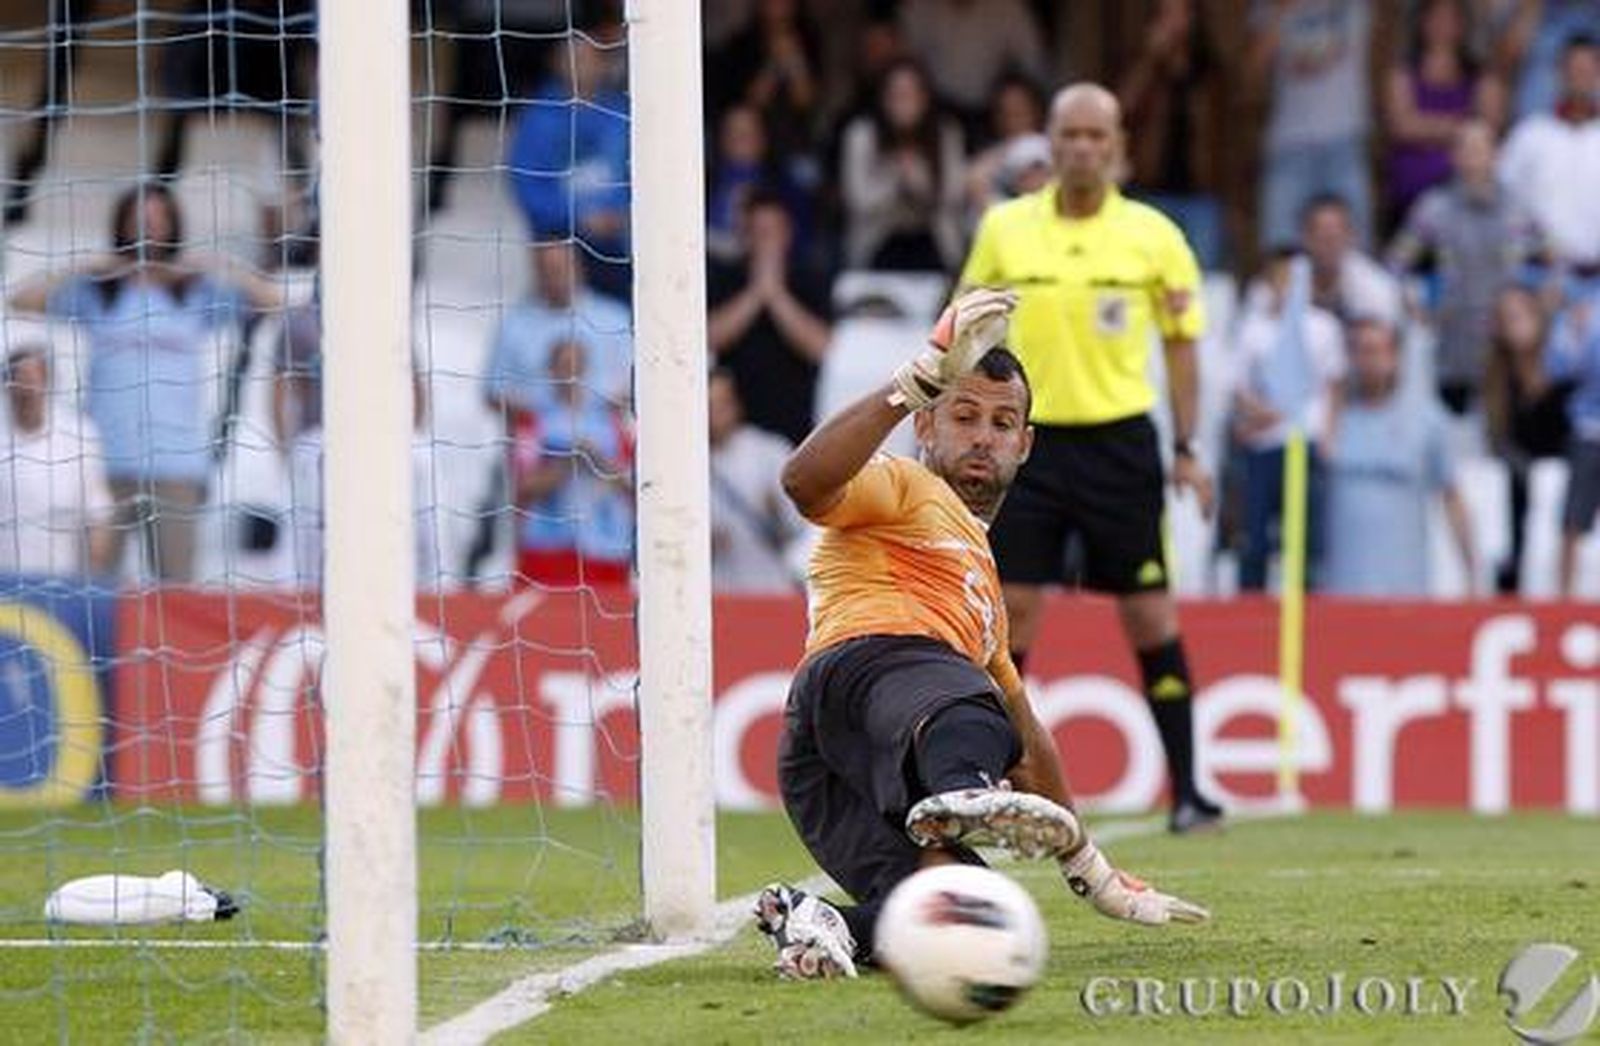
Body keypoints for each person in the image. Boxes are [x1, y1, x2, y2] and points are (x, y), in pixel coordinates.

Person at [755, 289, 1208, 980]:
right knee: (970, 700)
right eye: (963, 415)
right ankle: (962, 792)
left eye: (1002, 423)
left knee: (966, 912)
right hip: (868, 673)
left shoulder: (983, 591)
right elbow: (802, 483)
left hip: (825, 761)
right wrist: (911, 384)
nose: (983, 437)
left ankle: (822, 923)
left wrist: (1092, 870)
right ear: (926, 428)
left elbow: (1025, 738)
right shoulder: (902, 485)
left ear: (1024, 445)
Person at [957, 84, 1221, 833]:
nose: (1080, 148)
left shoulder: (1154, 237)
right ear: (1049, 140)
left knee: (1149, 613)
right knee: (1010, 619)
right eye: (1068, 134)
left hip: (1120, 443)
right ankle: (983, 780)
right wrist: (954, 422)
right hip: (1028, 445)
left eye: (1094, 137)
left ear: (1117, 147)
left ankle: (1190, 790)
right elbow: (967, 329)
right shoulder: (1006, 229)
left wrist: (1189, 446)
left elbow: (1182, 347)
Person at [8, 182, 282, 582]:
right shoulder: (99, 293)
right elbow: (21, 301)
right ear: (121, 223)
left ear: (173, 224)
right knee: (96, 587)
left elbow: (272, 300)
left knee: (177, 590)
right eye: (139, 218)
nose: (148, 226)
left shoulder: (195, 293)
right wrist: (90, 265)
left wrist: (209, 264)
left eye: (158, 217)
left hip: (177, 468)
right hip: (106, 465)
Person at [1387, 119, 1543, 413]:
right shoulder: (1433, 207)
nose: (1473, 157)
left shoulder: (1517, 208)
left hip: (1504, 344)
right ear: (1454, 156)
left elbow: (1554, 257)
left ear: (1496, 155)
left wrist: (1541, 298)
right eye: (1465, 149)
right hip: (1453, 339)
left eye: (1481, 148)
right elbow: (1396, 265)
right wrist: (1411, 301)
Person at [1322, 318, 1478, 596]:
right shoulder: (1329, 417)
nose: (1365, 360)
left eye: (1374, 350)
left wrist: (1470, 574)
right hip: (1338, 591)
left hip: (1404, 590)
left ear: (1394, 356)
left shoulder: (1426, 420)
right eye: (1357, 350)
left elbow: (1452, 497)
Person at [1231, 249, 1346, 591]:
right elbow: (1238, 387)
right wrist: (1262, 413)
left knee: (1305, 535)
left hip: (1305, 440)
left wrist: (1328, 435)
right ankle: (1249, 606)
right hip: (1263, 443)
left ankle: (1307, 604)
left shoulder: (1324, 327)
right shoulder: (1253, 329)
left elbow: (1333, 385)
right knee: (1255, 533)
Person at [506, 35, 630, 301]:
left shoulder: (622, 114)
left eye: (587, 58)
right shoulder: (537, 118)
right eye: (572, 58)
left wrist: (623, 214)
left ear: (603, 64)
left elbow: (641, 176)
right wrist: (580, 217)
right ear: (556, 64)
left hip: (623, 239)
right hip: (562, 241)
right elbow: (527, 187)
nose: (579, 66)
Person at [708, 189, 833, 447]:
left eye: (772, 232)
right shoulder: (725, 278)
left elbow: (821, 348)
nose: (765, 240)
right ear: (745, 234)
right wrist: (755, 293)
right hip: (733, 436)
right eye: (758, 232)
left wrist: (776, 295)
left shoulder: (810, 278)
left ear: (787, 233)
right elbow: (708, 339)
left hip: (795, 432)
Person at [1249, 0, 1377, 249]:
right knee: (1280, 248)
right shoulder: (1269, 5)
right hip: (1289, 143)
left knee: (1357, 249)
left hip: (1345, 140)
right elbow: (1254, 69)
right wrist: (1281, 12)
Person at [509, 339, 633, 588]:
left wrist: (595, 459)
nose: (571, 373)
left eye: (577, 365)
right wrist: (570, 461)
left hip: (606, 547)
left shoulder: (613, 421)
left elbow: (632, 484)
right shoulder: (533, 419)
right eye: (564, 365)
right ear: (550, 369)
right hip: (547, 548)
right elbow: (524, 487)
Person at [1118, 0, 1227, 268]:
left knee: (1202, 279)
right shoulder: (1144, 65)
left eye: (1179, 13)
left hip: (1201, 194)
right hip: (1152, 191)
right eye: (1165, 13)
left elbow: (1225, 135)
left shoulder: (1210, 70)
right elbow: (1120, 108)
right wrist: (1150, 58)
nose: (1173, 22)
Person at [1380, 0, 1504, 231]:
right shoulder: (1403, 71)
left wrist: (1425, 126)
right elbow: (1401, 126)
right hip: (1409, 193)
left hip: (1466, 201)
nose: (1442, 25)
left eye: (1451, 18)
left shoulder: (1480, 74)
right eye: (1435, 17)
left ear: (1463, 25)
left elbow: (1489, 128)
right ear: (1421, 22)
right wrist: (1462, 128)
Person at [1481, 285, 1571, 594]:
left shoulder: (1563, 367)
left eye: (1520, 315)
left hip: (1561, 481)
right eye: (1506, 318)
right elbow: (1497, 437)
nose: (1514, 324)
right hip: (1519, 482)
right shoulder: (1496, 378)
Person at [839, 60, 967, 272]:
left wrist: (917, 179)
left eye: (910, 95)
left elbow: (953, 195)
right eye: (896, 95)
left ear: (924, 98)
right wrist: (895, 178)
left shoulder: (946, 133)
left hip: (934, 242)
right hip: (878, 241)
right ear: (883, 99)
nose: (903, 103)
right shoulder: (861, 134)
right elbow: (857, 200)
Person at [0, 345, 115, 577]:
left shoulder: (79, 434)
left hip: (60, 586)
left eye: (33, 379)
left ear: (47, 383)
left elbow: (99, 515)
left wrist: (91, 580)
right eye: (19, 381)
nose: (27, 391)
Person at [1498, 33, 1600, 273]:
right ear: (1559, 73)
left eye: (1587, 70)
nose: (1579, 78)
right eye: (1572, 69)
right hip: (1536, 277)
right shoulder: (1529, 134)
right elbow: (1502, 203)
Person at [708, 368, 809, 593]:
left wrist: (777, 510)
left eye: (722, 404)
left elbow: (803, 525)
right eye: (709, 407)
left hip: (773, 586)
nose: (716, 415)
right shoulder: (688, 462)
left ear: (736, 403)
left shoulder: (770, 450)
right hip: (718, 591)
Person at [895, 0, 1046, 128]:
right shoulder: (921, 7)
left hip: (991, 109)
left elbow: (1031, 62)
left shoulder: (1008, 8)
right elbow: (907, 60)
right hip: (937, 109)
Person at [1544, 290, 1600, 595]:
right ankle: (1565, 600)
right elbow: (1558, 368)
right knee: (1573, 522)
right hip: (1589, 430)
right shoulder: (1579, 304)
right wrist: (1578, 336)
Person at [1298, 193, 1404, 326]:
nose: (1329, 245)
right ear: (1304, 238)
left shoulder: (1376, 287)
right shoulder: (1286, 280)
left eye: (1335, 237)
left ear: (1351, 237)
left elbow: (1387, 341)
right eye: (1322, 237)